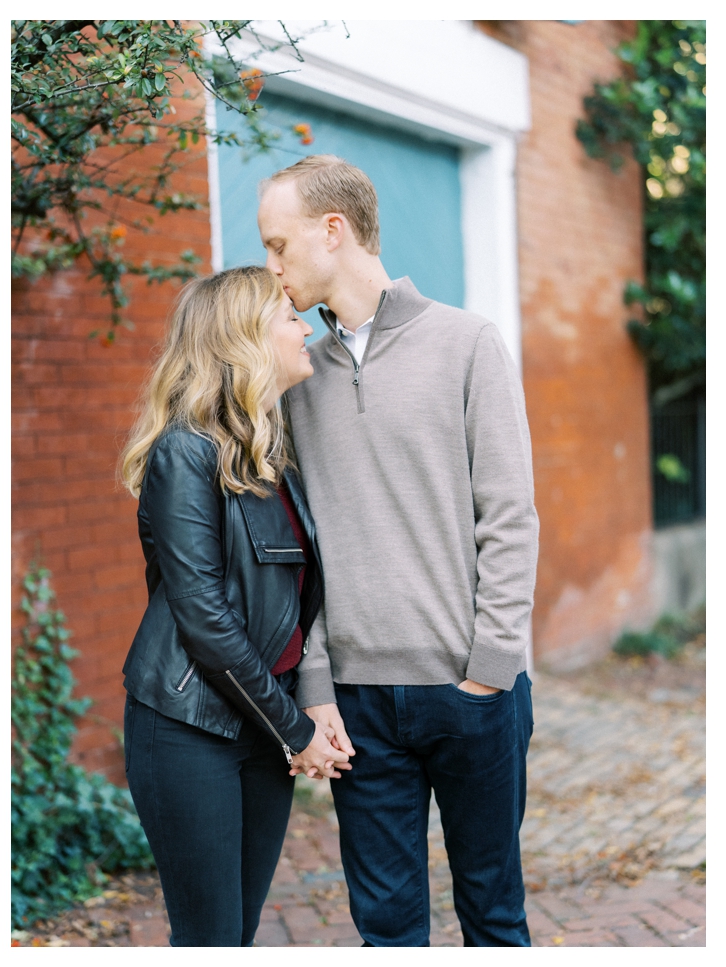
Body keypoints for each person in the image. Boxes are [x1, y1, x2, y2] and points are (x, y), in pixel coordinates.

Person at [259, 154, 539, 946]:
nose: (271, 266)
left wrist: (491, 666)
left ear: (333, 231)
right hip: (358, 703)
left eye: (280, 245)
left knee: (493, 914)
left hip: (471, 691)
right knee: (385, 929)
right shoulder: (297, 376)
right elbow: (298, 548)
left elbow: (510, 514)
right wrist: (315, 684)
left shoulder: (468, 343)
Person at [117, 265, 352, 947]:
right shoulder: (183, 453)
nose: (304, 325)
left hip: (259, 722)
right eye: (288, 317)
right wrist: (296, 731)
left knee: (237, 932)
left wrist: (302, 711)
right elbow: (205, 618)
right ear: (245, 338)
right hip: (188, 726)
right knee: (211, 937)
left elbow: (289, 608)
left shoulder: (271, 457)